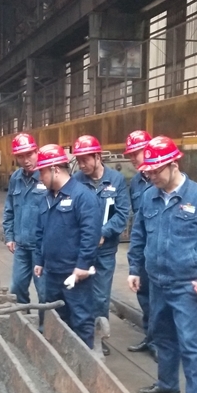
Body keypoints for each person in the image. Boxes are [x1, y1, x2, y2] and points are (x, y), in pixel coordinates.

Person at [127, 136, 197, 393]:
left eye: (156, 171)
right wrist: (134, 268)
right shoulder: (149, 196)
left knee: (189, 342)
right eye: (148, 172)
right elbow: (139, 235)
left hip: (187, 284)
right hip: (157, 281)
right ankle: (167, 384)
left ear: (173, 164)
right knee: (162, 335)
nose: (151, 176)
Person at [33, 144, 103, 349]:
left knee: (80, 319)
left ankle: (84, 360)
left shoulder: (82, 197)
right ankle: (59, 357)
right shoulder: (48, 198)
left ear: (55, 169)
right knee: (54, 318)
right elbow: (40, 231)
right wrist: (39, 260)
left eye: (42, 172)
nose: (40, 178)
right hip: (52, 272)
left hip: (75, 274)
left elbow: (90, 234)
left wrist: (82, 265)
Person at [71, 135, 129, 354]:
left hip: (105, 250)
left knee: (101, 295)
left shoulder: (116, 180)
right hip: (82, 248)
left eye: (86, 159)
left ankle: (98, 337)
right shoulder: (76, 180)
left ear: (97, 157)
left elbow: (122, 213)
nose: (82, 165)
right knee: (79, 291)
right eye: (79, 160)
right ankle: (80, 332)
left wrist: (104, 233)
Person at [2, 133, 48, 319]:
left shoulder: (46, 176)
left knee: (44, 292)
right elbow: (9, 209)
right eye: (21, 156)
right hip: (21, 246)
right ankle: (23, 322)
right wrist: (9, 236)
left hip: (41, 248)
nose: (26, 160)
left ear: (37, 152)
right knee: (17, 288)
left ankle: (46, 327)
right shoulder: (16, 178)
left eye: (29, 154)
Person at [122, 130, 158, 359]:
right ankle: (150, 336)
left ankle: (161, 341)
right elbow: (138, 219)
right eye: (131, 155)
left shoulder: (164, 177)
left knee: (159, 298)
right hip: (143, 246)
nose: (133, 158)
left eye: (137, 153)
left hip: (161, 248)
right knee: (144, 294)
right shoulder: (136, 182)